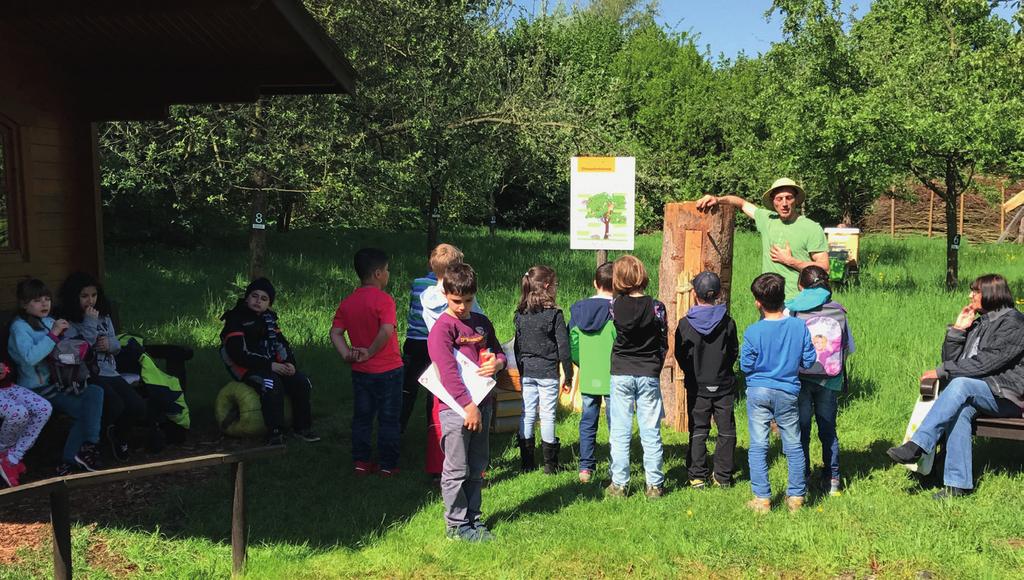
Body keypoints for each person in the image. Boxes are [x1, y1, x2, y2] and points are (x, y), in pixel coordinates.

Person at [887, 274, 1024, 499]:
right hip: (978, 392)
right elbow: (954, 360)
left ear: (992, 293)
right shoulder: (980, 322)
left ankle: (918, 446)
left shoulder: (1014, 323)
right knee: (960, 410)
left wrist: (943, 371)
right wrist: (958, 331)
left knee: (960, 385)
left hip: (1006, 396)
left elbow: (987, 363)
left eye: (975, 291)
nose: (970, 295)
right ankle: (957, 486)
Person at [427, 263, 505, 542]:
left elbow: (497, 352)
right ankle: (456, 525)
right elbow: (447, 373)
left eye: (468, 300)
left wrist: (496, 363)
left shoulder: (482, 323)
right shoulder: (441, 329)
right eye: (456, 301)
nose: (462, 307)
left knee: (477, 465)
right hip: (456, 408)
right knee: (457, 468)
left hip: (482, 403)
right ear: (445, 294)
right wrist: (467, 406)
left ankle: (474, 518)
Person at [8, 278, 104, 475]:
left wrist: (75, 341)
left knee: (95, 392)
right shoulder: (19, 328)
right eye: (36, 300)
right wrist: (53, 335)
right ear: (24, 304)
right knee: (84, 411)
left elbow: (72, 350)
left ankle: (88, 446)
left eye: (47, 299)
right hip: (36, 390)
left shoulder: (49, 322)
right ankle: (69, 460)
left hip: (60, 383)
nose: (44, 304)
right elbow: (30, 358)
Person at [741, 273, 816, 513]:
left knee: (759, 444)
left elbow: (745, 365)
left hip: (758, 391)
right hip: (788, 391)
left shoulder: (753, 332)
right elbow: (809, 359)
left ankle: (762, 498)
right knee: (793, 444)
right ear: (784, 297)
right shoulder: (799, 327)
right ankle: (796, 497)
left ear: (758, 303)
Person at [58, 272, 149, 462]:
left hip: (110, 370)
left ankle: (118, 436)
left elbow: (116, 344)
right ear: (73, 297)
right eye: (84, 296)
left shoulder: (104, 317)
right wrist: (90, 323)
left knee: (137, 405)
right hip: (87, 373)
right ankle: (92, 443)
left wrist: (110, 345)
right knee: (114, 404)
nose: (90, 301)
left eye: (94, 295)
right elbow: (79, 350)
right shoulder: (68, 322)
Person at [331, 248, 404, 477]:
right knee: (389, 419)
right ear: (378, 273)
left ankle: (361, 461)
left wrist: (347, 354)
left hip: (361, 371)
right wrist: (371, 351)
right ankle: (387, 464)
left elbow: (335, 332)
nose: (388, 274)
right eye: (387, 270)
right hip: (389, 370)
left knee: (362, 417)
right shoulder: (384, 300)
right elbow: (385, 330)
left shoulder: (349, 302)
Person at [220, 277, 318, 446]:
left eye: (264, 299)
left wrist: (289, 364)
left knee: (302, 382)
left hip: (271, 365)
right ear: (247, 297)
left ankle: (302, 428)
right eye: (254, 296)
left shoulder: (270, 320)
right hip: (245, 368)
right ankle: (275, 432)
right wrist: (270, 365)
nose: (258, 301)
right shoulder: (235, 319)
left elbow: (281, 344)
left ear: (269, 303)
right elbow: (237, 354)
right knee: (271, 384)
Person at [785, 265, 855, 496]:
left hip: (801, 378)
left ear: (800, 286)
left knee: (802, 428)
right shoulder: (839, 311)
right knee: (828, 428)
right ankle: (833, 479)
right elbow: (848, 348)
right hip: (830, 380)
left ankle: (802, 476)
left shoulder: (793, 311)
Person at [696, 178, 829, 297]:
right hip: (769, 301)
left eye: (789, 198)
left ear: (796, 200)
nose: (784, 203)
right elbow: (741, 203)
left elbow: (824, 268)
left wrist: (790, 261)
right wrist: (717, 199)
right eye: (779, 199)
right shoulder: (767, 219)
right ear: (773, 202)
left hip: (798, 301)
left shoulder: (811, 228)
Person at [605, 255, 668, 500]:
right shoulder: (656, 307)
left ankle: (619, 484)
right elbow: (663, 342)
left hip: (621, 370)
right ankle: (654, 484)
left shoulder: (614, 306)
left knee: (619, 430)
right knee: (650, 429)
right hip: (648, 371)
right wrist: (656, 365)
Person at [419, 243, 483, 481]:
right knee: (469, 410)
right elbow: (479, 320)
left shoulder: (425, 296)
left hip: (438, 364)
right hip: (464, 360)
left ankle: (439, 467)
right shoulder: (463, 301)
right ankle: (471, 466)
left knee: (439, 416)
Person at [674, 271, 738, 490]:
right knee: (726, 430)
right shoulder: (728, 322)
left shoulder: (685, 324)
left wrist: (691, 373)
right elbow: (733, 352)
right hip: (723, 384)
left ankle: (697, 475)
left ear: (694, 294)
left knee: (699, 429)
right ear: (718, 294)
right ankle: (723, 476)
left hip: (697, 385)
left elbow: (680, 354)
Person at [514, 265, 573, 474]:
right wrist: (569, 374)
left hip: (528, 371)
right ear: (547, 286)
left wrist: (522, 370)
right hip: (548, 372)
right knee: (547, 415)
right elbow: (563, 347)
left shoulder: (520, 314)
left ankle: (527, 463)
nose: (556, 287)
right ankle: (550, 465)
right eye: (555, 284)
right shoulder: (554, 314)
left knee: (527, 413)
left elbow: (517, 347)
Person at [569, 262, 615, 484]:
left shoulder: (578, 309)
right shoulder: (618, 310)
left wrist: (582, 363)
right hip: (614, 373)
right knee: (616, 422)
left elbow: (573, 342)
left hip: (589, 372)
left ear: (595, 283)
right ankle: (616, 466)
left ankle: (585, 468)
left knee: (588, 421)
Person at [0, 360, 53, 486]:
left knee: (43, 408)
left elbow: (9, 361)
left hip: (7, 387)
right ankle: (3, 456)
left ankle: (13, 457)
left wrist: (5, 369)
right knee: (18, 413)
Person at [399, 264, 436, 434]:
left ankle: (398, 428)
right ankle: (434, 430)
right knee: (435, 391)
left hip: (414, 342)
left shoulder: (417, 283)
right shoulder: (449, 287)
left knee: (407, 389)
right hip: (436, 345)